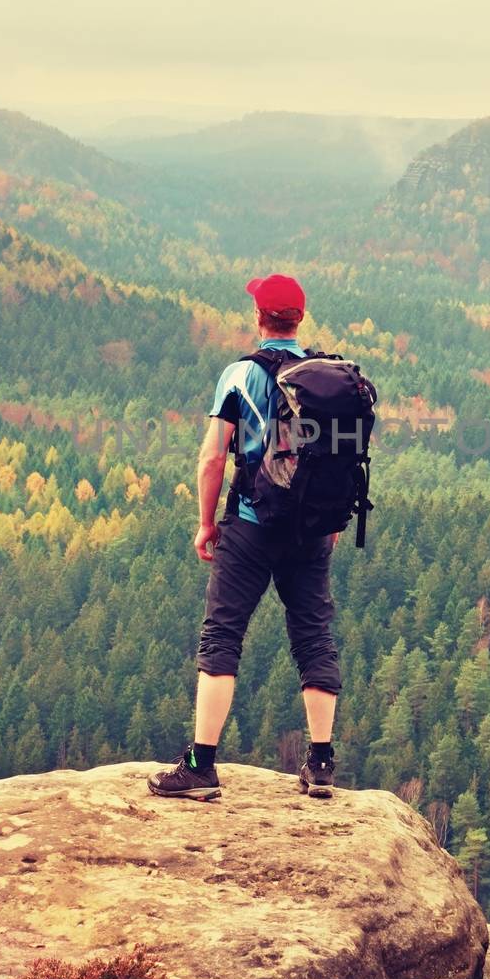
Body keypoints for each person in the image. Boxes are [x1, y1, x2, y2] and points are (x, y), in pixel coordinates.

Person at [148, 272, 343, 802]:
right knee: (314, 637)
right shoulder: (327, 377)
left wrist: (207, 522)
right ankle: (321, 764)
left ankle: (200, 765)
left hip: (252, 524)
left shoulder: (239, 376)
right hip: (311, 531)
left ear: (260, 319)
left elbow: (213, 457)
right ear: (299, 320)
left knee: (223, 635)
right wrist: (327, 518)